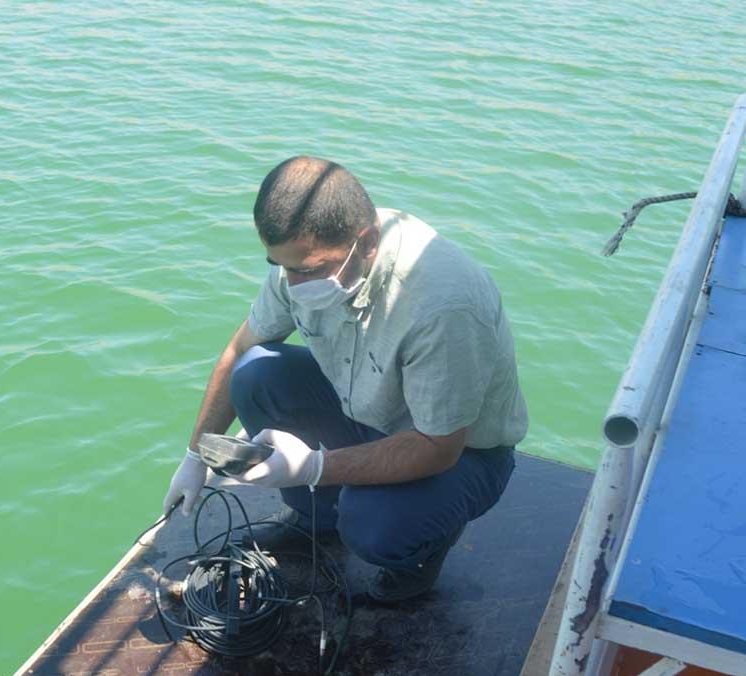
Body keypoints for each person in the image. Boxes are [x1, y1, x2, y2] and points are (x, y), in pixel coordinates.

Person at [162, 156, 528, 602]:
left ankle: (418, 558)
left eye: (309, 270)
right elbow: (240, 348)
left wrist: (314, 467)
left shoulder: (443, 307)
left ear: (367, 242)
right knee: (254, 373)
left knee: (371, 525)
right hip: (369, 409)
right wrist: (196, 453)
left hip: (461, 453)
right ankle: (314, 521)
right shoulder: (302, 262)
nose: (293, 284)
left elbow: (439, 446)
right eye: (282, 266)